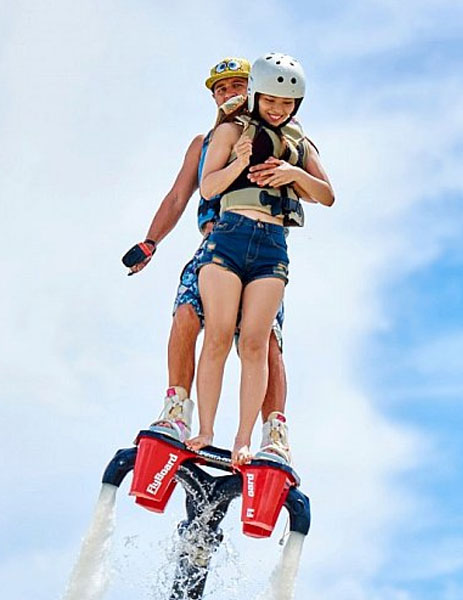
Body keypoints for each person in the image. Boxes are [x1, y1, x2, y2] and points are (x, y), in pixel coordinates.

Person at [123, 57, 292, 462]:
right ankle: (177, 410)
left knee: (264, 340)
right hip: (213, 244)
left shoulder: (270, 135)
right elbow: (179, 195)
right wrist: (150, 241)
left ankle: (274, 433)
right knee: (186, 315)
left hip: (260, 242)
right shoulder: (203, 144)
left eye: (237, 86)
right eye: (221, 89)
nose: (229, 94)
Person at [185, 53, 334, 466]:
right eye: (271, 100)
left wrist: (294, 174)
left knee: (254, 342)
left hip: (272, 246)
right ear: (255, 94)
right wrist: (238, 161)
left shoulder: (299, 143)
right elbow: (209, 188)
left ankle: (243, 439)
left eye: (287, 104)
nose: (278, 109)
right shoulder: (233, 130)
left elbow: (326, 194)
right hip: (230, 236)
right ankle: (205, 430)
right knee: (216, 334)